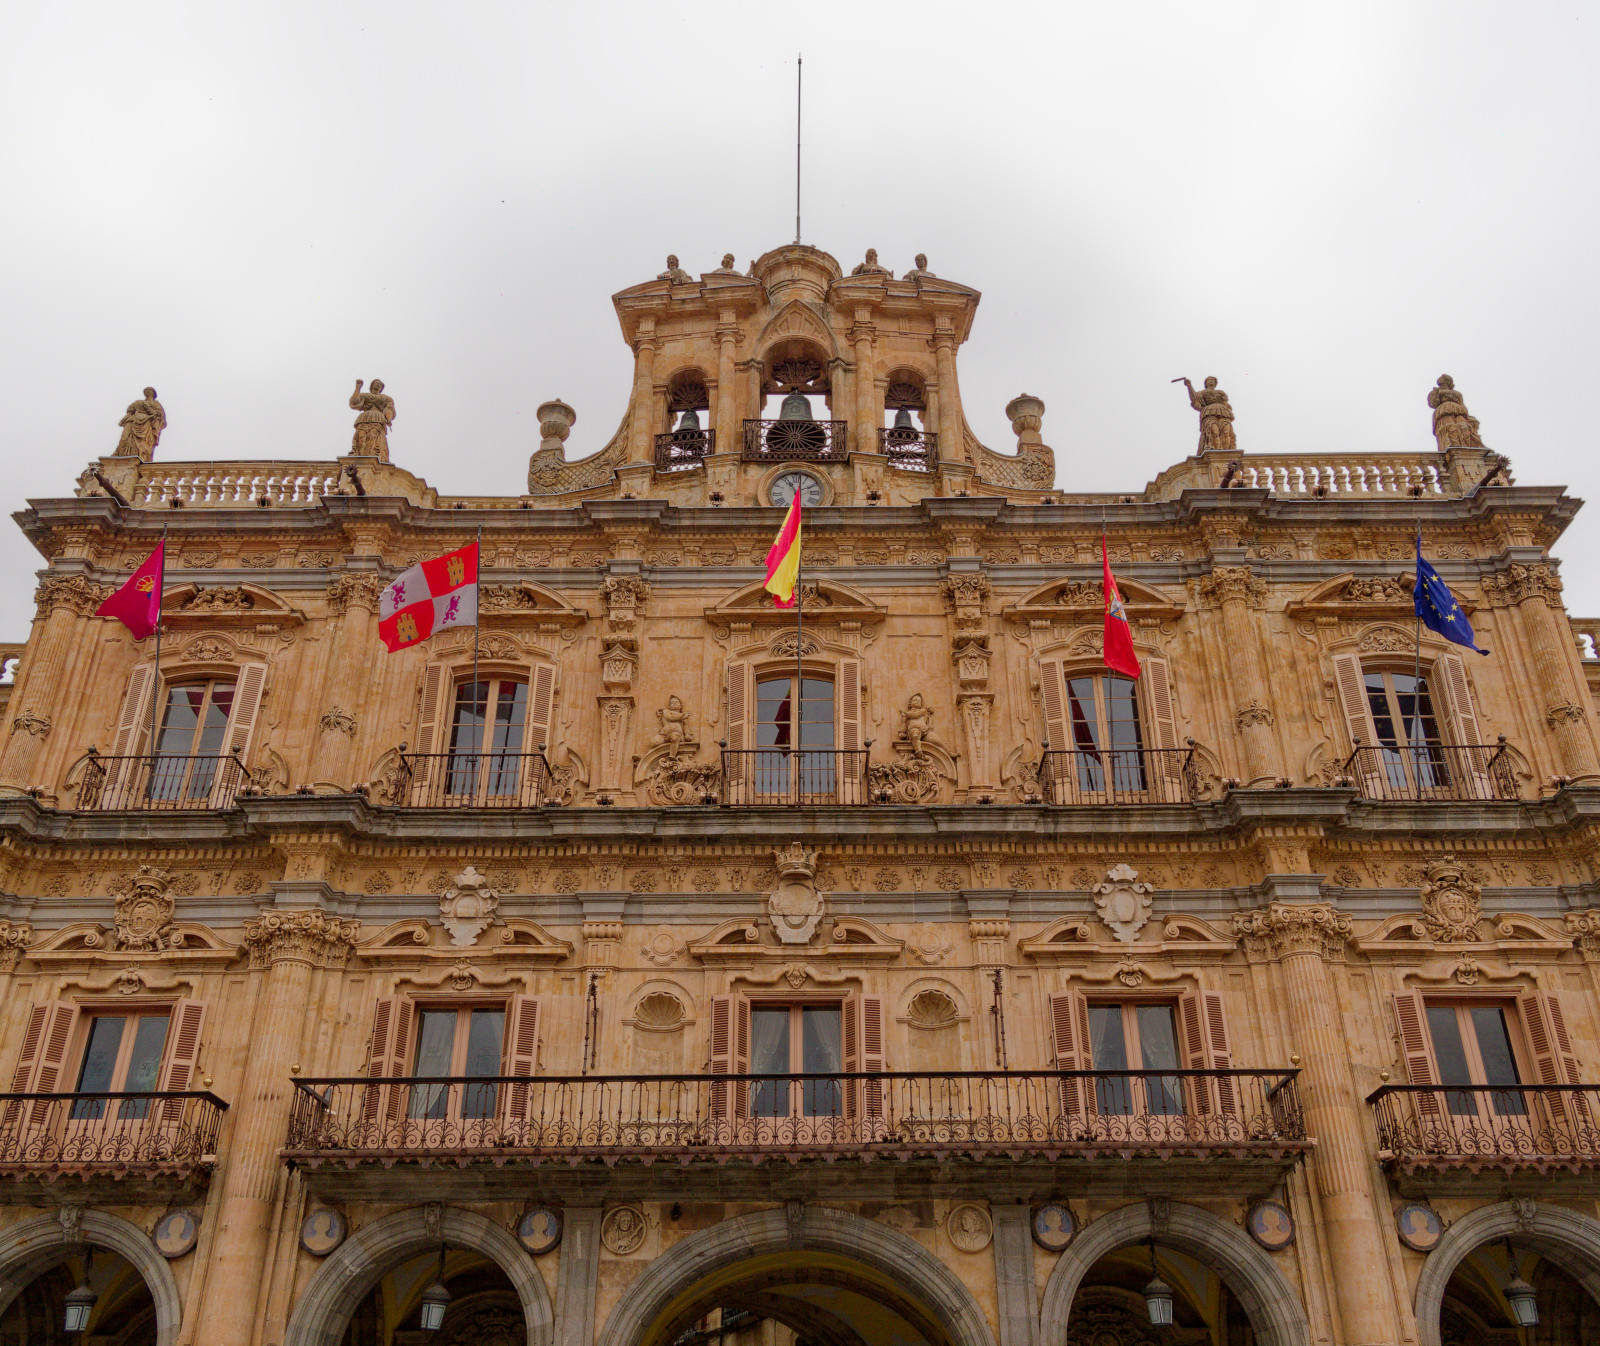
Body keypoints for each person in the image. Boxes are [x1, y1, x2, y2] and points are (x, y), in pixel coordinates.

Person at [1178, 376, 1236, 453]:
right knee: (1213, 430)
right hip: (1209, 412)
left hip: (1223, 412)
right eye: (1209, 380)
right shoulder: (1203, 393)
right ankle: (1217, 448)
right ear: (1206, 384)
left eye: (1213, 380)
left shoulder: (1221, 392)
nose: (1211, 381)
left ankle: (1226, 451)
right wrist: (1189, 385)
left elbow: (1225, 404)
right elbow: (1194, 398)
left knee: (1226, 432)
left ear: (1215, 383)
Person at [114, 387, 166, 460]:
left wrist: (149, 409)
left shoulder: (156, 404)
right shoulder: (138, 402)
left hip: (146, 423)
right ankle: (121, 455)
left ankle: (141, 456)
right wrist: (122, 420)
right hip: (132, 421)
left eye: (150, 390)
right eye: (146, 390)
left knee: (143, 441)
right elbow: (129, 413)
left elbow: (160, 417)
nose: (148, 391)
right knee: (124, 438)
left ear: (154, 393)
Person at [350, 379, 396, 460]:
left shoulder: (386, 398)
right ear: (372, 385)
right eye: (376, 383)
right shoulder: (365, 395)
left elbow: (390, 409)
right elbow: (354, 402)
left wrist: (388, 418)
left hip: (378, 419)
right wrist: (358, 388)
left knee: (373, 436)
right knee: (361, 437)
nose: (378, 385)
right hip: (364, 418)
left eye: (380, 384)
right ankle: (360, 458)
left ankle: (371, 456)